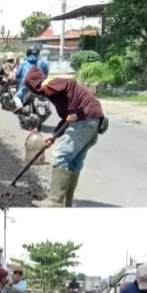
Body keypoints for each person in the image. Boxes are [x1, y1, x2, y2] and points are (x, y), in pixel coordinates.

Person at [23, 66, 105, 208]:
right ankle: (67, 203)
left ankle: (54, 201)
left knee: (60, 154)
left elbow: (71, 83)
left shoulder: (47, 83)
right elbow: (67, 119)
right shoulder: (54, 93)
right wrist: (54, 136)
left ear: (33, 83)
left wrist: (73, 111)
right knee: (74, 162)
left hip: (84, 119)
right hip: (93, 121)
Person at [13, 45, 49, 112]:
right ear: (38, 54)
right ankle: (47, 105)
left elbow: (17, 75)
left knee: (16, 97)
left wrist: (19, 81)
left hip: (26, 87)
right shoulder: (42, 63)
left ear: (27, 54)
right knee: (45, 96)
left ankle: (19, 105)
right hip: (40, 86)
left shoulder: (23, 63)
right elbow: (46, 73)